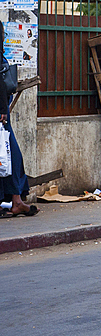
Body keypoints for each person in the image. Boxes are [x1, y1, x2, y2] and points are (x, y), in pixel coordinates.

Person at [0, 22, 36, 218]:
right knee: (10, 155)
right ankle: (16, 200)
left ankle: (15, 199)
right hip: (1, 114)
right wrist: (2, 109)